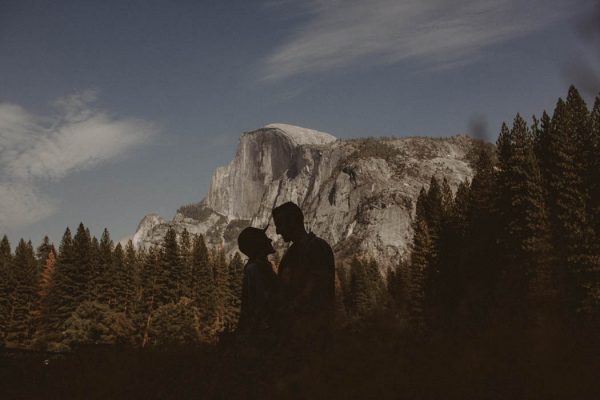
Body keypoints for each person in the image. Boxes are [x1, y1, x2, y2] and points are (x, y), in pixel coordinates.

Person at [272, 201, 335, 351]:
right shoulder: (290, 254)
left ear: (293, 222)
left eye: (280, 224)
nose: (277, 231)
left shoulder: (317, 248)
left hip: (314, 337)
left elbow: (318, 291)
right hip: (294, 337)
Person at [237, 226, 278, 336]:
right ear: (257, 245)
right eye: (264, 238)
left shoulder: (260, 267)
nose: (269, 240)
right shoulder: (254, 269)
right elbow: (263, 302)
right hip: (264, 332)